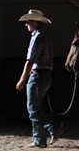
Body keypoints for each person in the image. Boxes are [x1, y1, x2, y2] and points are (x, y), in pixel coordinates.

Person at [16, 9, 63, 148]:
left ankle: (40, 139)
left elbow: (30, 61)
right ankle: (53, 127)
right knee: (36, 107)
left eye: (28, 22)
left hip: (37, 75)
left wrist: (22, 79)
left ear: (35, 23)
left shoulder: (36, 37)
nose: (26, 25)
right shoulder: (47, 37)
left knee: (32, 108)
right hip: (46, 75)